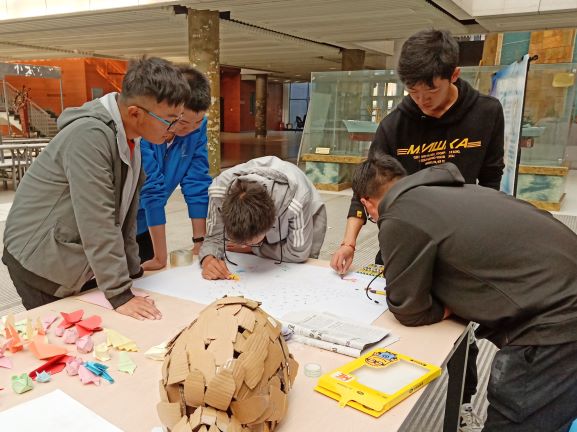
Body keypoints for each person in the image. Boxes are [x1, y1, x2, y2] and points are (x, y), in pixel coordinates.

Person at [352, 154, 577, 432]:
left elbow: (408, 308)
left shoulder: (399, 213)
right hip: (561, 288)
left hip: (556, 322)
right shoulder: (456, 191)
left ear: (367, 203)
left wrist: (447, 308)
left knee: (517, 420)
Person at [2, 57, 190, 320]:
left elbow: (125, 213)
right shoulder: (89, 136)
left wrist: (132, 271)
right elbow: (97, 220)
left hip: (72, 257)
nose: (174, 129)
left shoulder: (130, 138)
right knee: (68, 336)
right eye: (170, 120)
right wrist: (119, 293)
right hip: (40, 263)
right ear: (135, 113)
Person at [331, 28, 504, 273]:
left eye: (431, 91)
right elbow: (365, 188)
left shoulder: (487, 113)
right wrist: (349, 243)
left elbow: (491, 179)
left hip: (460, 241)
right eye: (413, 92)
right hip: (405, 241)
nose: (422, 100)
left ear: (454, 75)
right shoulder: (394, 126)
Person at [199, 156, 327, 280]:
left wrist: (255, 249)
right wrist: (208, 258)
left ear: (271, 224)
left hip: (308, 212)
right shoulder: (218, 192)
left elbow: (297, 253)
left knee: (301, 273)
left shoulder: (298, 200)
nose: (242, 246)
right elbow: (214, 237)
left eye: (251, 242)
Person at [137, 66, 212, 270]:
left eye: (198, 122)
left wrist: (199, 242)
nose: (191, 129)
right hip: (115, 225)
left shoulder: (196, 129)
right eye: (183, 122)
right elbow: (151, 187)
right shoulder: (143, 129)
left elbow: (196, 181)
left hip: (147, 226)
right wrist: (161, 257)